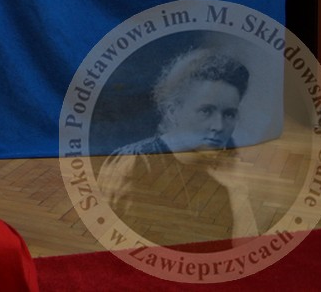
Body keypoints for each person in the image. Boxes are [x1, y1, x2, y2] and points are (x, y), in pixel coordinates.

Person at [97, 48, 259, 249]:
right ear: (173, 112)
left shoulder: (220, 180)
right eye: (206, 111)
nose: (218, 126)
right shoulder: (136, 162)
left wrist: (238, 192)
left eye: (229, 114)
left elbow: (246, 254)